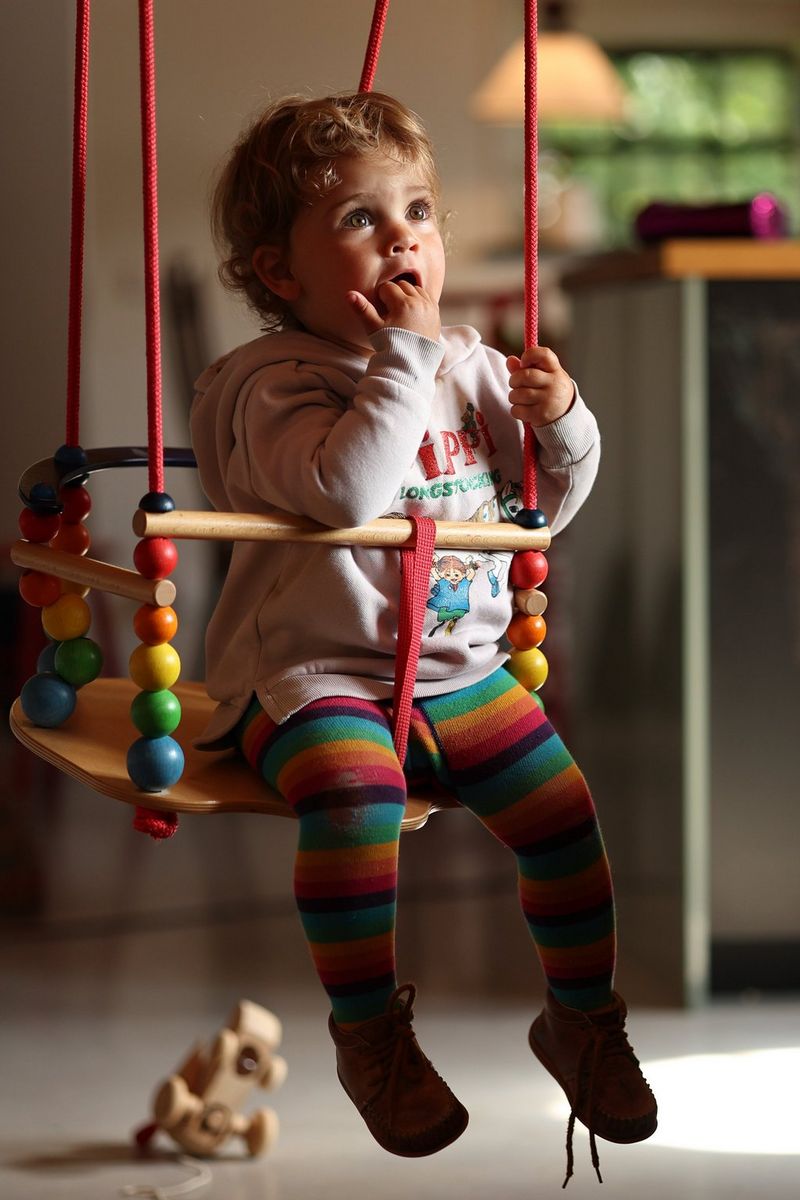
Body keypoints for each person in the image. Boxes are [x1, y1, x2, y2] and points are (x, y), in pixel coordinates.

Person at [191, 91, 657, 1179]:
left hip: (458, 670)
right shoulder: (272, 386)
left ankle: (579, 1019)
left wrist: (559, 423)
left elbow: (543, 506)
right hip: (311, 681)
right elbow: (343, 490)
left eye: (416, 210)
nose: (403, 235)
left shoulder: (468, 367)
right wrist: (403, 355)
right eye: (360, 219)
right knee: (355, 802)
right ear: (281, 273)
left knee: (561, 814)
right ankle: (369, 1038)